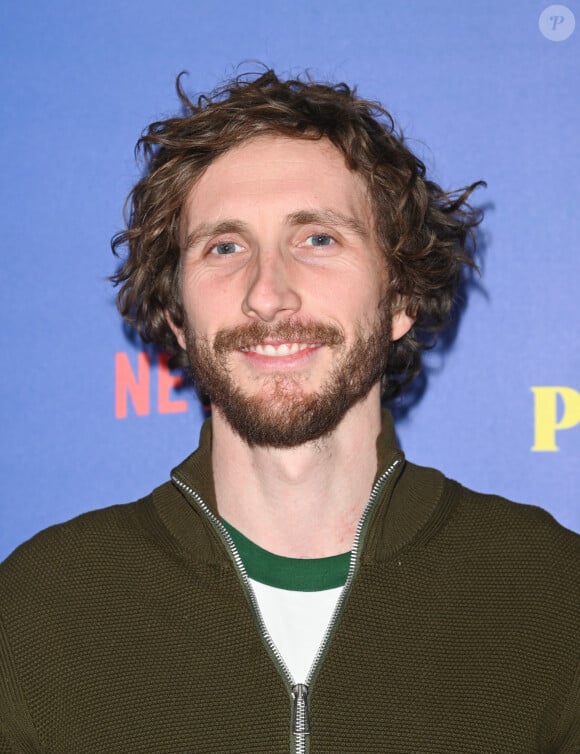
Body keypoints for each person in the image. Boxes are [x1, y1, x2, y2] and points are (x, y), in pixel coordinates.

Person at [1, 69, 579, 754]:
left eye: (317, 240)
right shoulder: (40, 609)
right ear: (178, 317)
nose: (267, 294)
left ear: (401, 299)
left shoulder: (549, 594)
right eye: (225, 247)